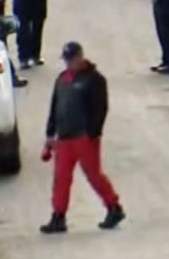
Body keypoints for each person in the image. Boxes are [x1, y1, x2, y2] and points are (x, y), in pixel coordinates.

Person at [40, 41, 125, 233]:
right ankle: (58, 216)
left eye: (72, 59)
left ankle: (113, 206)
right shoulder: (61, 79)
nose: (69, 64)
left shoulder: (94, 79)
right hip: (64, 137)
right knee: (60, 177)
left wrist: (92, 132)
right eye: (67, 60)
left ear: (80, 56)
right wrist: (49, 134)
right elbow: (55, 107)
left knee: (94, 175)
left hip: (84, 137)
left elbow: (100, 109)